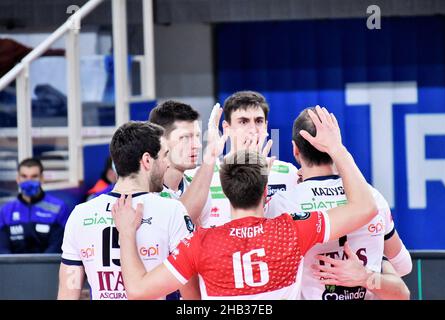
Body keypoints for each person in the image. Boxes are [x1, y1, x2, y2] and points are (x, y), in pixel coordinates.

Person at [112, 106, 378, 299]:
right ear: (266, 191)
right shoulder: (291, 231)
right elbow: (366, 207)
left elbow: (137, 289)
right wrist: (336, 148)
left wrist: (126, 232)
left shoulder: (201, 243)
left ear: (224, 191)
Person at [265, 106, 412, 300]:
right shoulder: (371, 197)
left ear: (295, 150)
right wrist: (367, 277)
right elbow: (404, 266)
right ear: (336, 143)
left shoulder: (282, 205)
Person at [57, 121, 194, 300]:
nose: (167, 164)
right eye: (164, 155)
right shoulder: (172, 211)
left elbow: (68, 294)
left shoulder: (80, 214)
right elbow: (191, 293)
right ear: (147, 160)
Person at [192, 91, 298, 228]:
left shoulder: (288, 173)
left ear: (266, 126)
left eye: (259, 121)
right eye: (243, 121)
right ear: (226, 128)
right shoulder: (201, 177)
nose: (253, 129)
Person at [148, 100, 227, 225]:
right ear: (160, 141)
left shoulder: (197, 188)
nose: (197, 145)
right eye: (185, 137)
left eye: (197, 136)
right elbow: (177, 223)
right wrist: (210, 154)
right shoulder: (143, 190)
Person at [0, 158, 69, 253]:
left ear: (42, 178)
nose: (29, 181)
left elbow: (57, 247)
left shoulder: (59, 208)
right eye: (24, 176)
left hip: (47, 266)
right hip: (14, 266)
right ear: (18, 179)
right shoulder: (6, 211)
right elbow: (3, 249)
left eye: (34, 176)